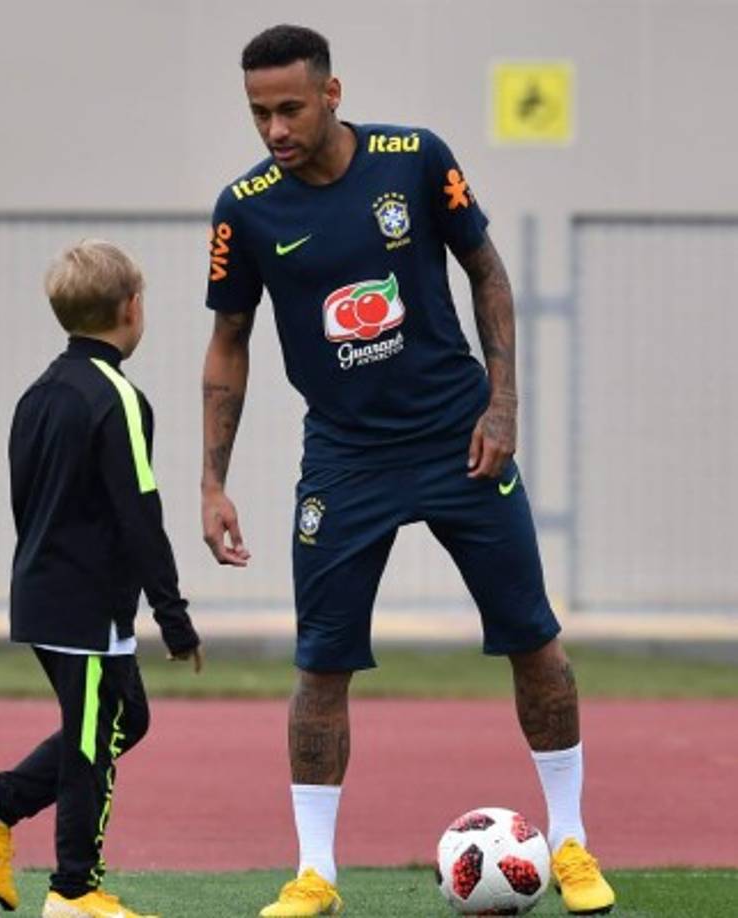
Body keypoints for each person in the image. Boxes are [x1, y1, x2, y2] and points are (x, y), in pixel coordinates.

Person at [200, 24, 614, 918]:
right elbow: (229, 340)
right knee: (321, 665)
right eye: (259, 113)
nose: (275, 129)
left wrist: (503, 404)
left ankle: (572, 843)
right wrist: (212, 481)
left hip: (458, 439)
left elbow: (487, 272)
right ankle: (316, 875)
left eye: (290, 108)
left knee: (534, 639)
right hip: (344, 459)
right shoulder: (244, 208)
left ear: (332, 93)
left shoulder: (416, 159)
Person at [0, 239, 202, 918]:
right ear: (132, 307)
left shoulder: (38, 394)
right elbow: (141, 513)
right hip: (85, 606)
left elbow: (24, 498)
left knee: (125, 719)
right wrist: (173, 615)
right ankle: (74, 890)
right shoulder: (119, 397)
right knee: (91, 742)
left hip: (45, 591)